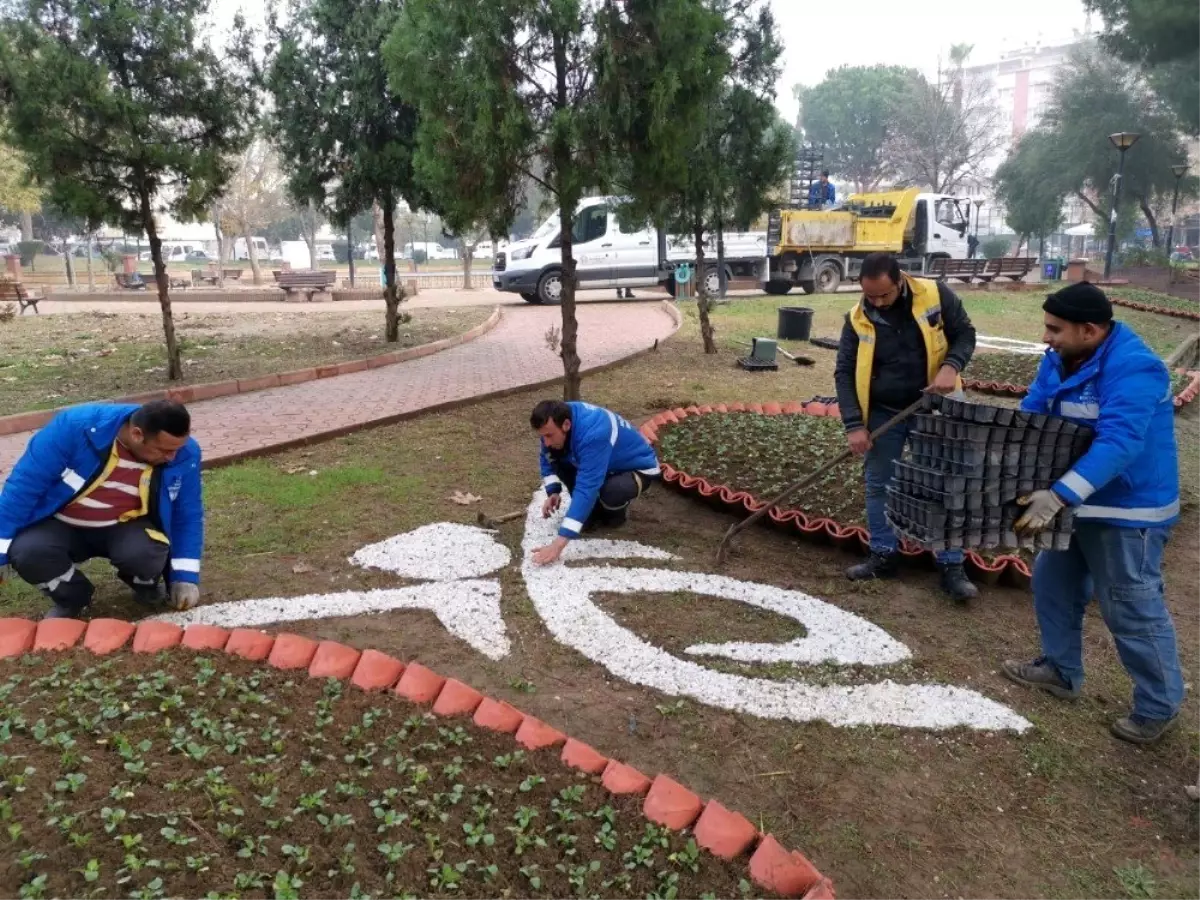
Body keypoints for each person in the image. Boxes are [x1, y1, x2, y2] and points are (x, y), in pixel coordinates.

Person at [1001, 282, 1183, 745]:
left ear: (1090, 329)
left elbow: (1120, 442)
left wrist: (1059, 496)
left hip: (1127, 510)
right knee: (1053, 584)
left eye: (1055, 329)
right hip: (1073, 500)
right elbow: (1034, 412)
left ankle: (1158, 706)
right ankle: (1061, 671)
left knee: (1131, 606)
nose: (1046, 337)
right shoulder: (1060, 359)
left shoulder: (1135, 368)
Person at [834, 252, 979, 601]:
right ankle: (883, 555)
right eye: (870, 296)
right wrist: (855, 425)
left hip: (935, 407)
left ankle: (951, 565)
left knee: (943, 483)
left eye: (884, 295)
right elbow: (844, 373)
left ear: (900, 281)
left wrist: (952, 366)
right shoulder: (857, 319)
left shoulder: (935, 295)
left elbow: (965, 334)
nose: (878, 303)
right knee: (878, 484)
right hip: (885, 411)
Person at [0, 400, 204, 619]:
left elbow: (187, 514)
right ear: (137, 434)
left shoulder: (185, 453)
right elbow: (23, 489)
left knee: (146, 553)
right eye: (164, 450)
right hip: (61, 523)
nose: (172, 457)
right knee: (28, 552)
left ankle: (145, 584)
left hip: (127, 525)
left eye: (177, 449)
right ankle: (73, 597)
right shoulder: (73, 428)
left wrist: (184, 577)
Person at [529, 400, 660, 566]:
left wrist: (557, 545)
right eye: (542, 436)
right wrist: (553, 491)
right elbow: (547, 457)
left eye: (549, 436)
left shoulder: (594, 434)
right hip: (608, 465)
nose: (545, 442)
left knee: (611, 492)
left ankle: (616, 516)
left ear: (567, 425)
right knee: (559, 458)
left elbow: (587, 488)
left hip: (638, 467)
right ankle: (591, 514)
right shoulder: (557, 419)